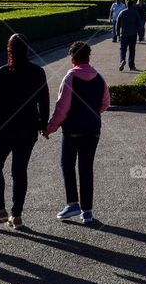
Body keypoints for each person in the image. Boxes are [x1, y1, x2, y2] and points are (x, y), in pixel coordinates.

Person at [0, 34, 49, 229]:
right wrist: (43, 125)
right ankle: (16, 215)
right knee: (19, 170)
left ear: (9, 50)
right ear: (27, 50)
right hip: (28, 128)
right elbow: (44, 100)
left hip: (5, 128)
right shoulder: (38, 72)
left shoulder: (4, 72)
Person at [47, 41, 110, 226]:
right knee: (86, 168)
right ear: (88, 57)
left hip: (73, 129)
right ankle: (87, 212)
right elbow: (105, 103)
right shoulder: (99, 78)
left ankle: (72, 203)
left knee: (67, 164)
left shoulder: (70, 78)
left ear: (73, 58)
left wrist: (51, 127)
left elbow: (62, 108)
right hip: (93, 129)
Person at [116, 0, 143, 70]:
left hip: (123, 34)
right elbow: (139, 25)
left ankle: (122, 60)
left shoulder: (122, 12)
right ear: (132, 5)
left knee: (123, 49)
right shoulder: (135, 13)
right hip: (133, 34)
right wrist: (140, 35)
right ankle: (131, 65)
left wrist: (117, 33)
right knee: (132, 50)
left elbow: (117, 23)